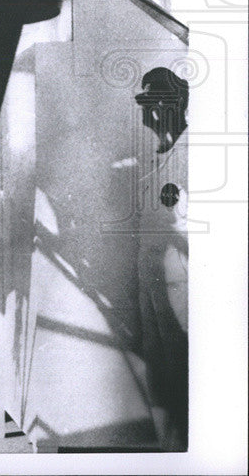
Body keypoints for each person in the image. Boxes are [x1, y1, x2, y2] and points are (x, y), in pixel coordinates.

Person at [134, 67, 189, 451]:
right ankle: (166, 448)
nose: (152, 113)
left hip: (181, 278)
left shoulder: (191, 151)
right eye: (147, 105)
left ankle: (187, 449)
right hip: (150, 272)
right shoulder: (155, 155)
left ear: (179, 104)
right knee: (156, 365)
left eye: (160, 104)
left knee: (182, 366)